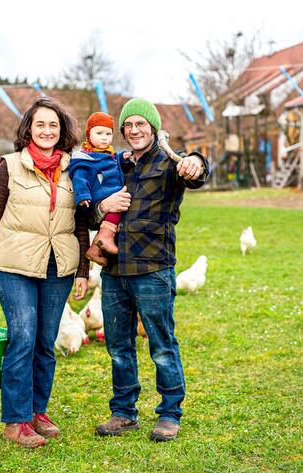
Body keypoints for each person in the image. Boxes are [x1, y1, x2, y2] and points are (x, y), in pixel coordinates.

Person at [0, 96, 90, 448]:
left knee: (45, 341)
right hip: (15, 265)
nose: (46, 130)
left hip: (59, 265)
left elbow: (82, 223)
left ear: (62, 131)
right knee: (23, 337)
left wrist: (84, 268)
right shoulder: (9, 166)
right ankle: (15, 420)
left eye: (53, 125)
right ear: (29, 128)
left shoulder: (76, 168)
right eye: (40, 124)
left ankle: (37, 411)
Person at [93, 98, 207, 442]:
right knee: (118, 345)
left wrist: (197, 163)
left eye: (141, 124)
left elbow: (196, 170)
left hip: (153, 268)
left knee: (160, 343)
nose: (134, 130)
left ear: (154, 128)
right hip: (114, 270)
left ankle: (170, 413)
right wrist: (101, 207)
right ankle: (123, 413)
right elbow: (91, 201)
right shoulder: (117, 164)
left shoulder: (171, 163)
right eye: (128, 125)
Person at [68, 112, 124, 266]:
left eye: (108, 133)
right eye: (99, 133)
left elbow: (111, 162)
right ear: (89, 135)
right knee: (120, 204)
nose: (104, 137)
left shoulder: (108, 153)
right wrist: (82, 195)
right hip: (98, 195)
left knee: (121, 204)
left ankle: (95, 249)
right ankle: (105, 237)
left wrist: (123, 157)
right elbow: (80, 177)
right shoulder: (85, 157)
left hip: (108, 192)